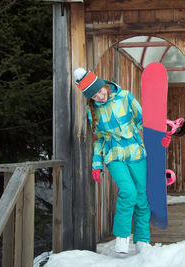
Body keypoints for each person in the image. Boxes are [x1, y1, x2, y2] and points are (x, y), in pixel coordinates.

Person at [74, 67, 152, 254]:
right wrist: (97, 164)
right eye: (95, 96)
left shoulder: (125, 96)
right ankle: (123, 237)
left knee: (141, 197)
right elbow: (99, 139)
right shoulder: (92, 111)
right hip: (114, 155)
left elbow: (143, 120)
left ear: (104, 85)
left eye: (101, 91)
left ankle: (142, 240)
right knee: (128, 191)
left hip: (136, 152)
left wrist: (159, 135)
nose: (101, 96)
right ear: (90, 98)